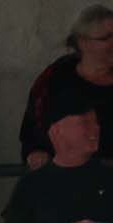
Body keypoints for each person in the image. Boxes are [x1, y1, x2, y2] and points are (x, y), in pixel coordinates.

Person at [26, 9, 113, 167]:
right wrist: (35, 151)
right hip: (66, 180)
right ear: (83, 42)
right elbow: (33, 124)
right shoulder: (58, 76)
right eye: (106, 38)